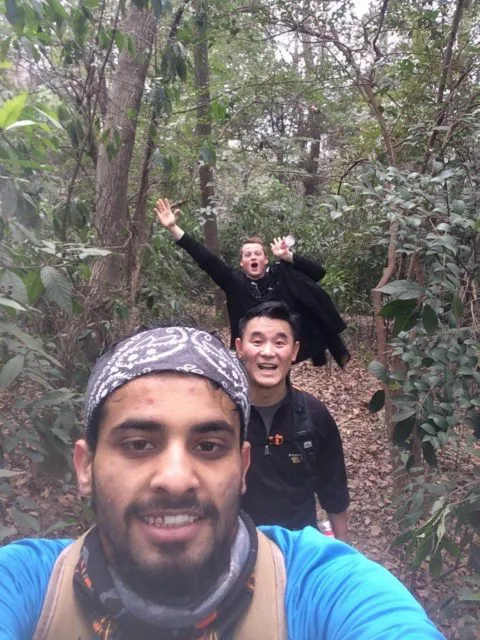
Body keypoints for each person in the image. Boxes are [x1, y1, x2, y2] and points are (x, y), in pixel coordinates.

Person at [0, 327, 445, 639]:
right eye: (138, 444)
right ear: (86, 467)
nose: (176, 479)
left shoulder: (320, 589)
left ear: (242, 465)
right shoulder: (27, 587)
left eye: (209, 446)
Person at [154, 198, 350, 367]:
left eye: (257, 253)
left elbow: (318, 273)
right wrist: (173, 228)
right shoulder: (234, 282)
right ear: (242, 262)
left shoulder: (281, 275)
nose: (253, 257)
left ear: (265, 259)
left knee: (279, 387)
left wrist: (288, 256)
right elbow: (205, 258)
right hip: (247, 351)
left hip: (279, 350)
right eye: (248, 255)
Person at [236, 302, 349, 539]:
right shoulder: (224, 414)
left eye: (280, 343)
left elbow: (334, 494)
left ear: (294, 351)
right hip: (237, 547)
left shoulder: (314, 414)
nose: (268, 352)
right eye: (257, 342)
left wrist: (344, 551)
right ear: (239, 348)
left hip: (299, 550)